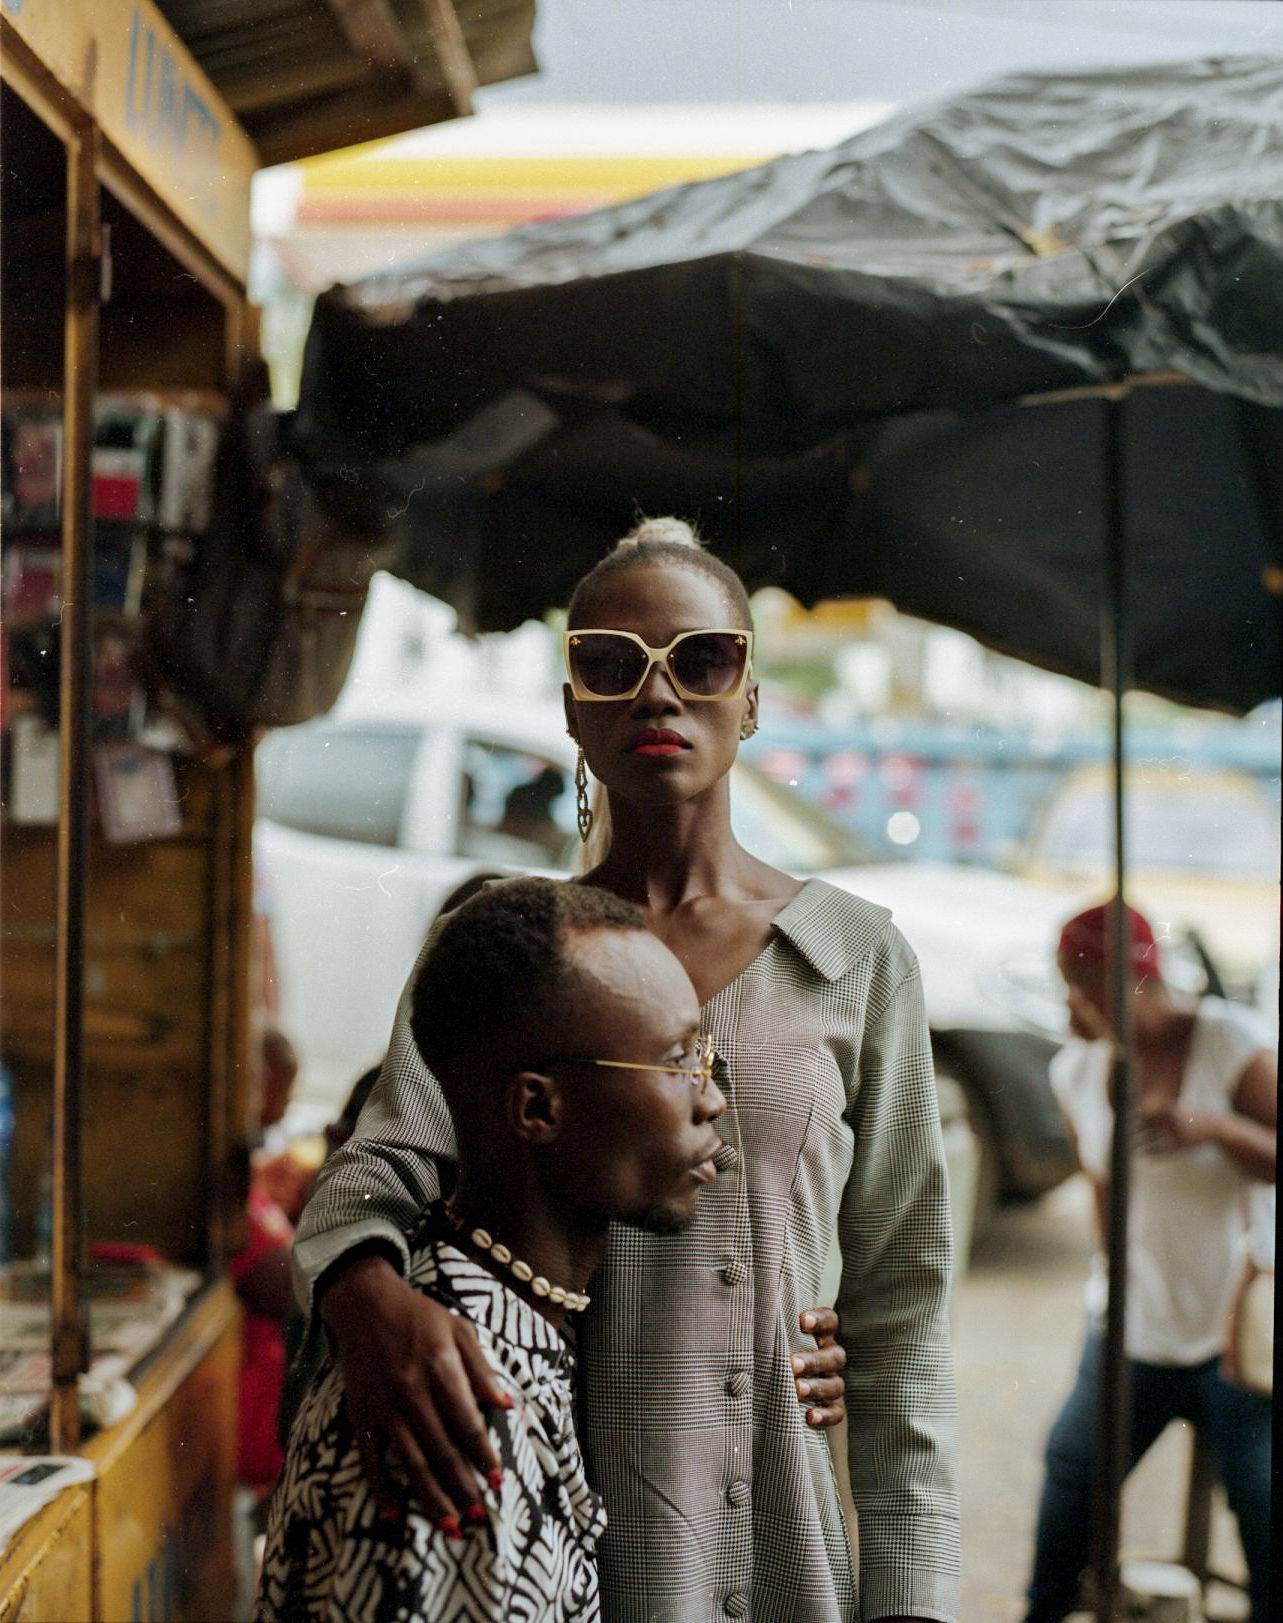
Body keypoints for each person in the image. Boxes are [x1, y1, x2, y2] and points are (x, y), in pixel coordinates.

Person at [293, 518, 960, 1622]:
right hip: (557, 1533)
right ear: (569, 706)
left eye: (702, 660)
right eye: (609, 664)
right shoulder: (510, 951)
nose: (659, 695)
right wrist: (371, 1304)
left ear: (749, 696)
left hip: (786, 1542)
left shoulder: (853, 958)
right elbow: (374, 1173)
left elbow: (903, 1311)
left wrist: (913, 1599)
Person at [256, 876, 727, 1621]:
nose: (711, 1096)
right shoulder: (451, 1405)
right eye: (675, 1062)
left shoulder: (510, 1330)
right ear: (537, 1107)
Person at [1024, 901, 1276, 1623]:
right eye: (1069, 986)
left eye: (1085, 987)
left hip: (1231, 1328)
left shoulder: (1231, 1045)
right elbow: (1103, 1192)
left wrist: (1210, 1125)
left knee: (1260, 1501)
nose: (1074, 1004)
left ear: (1131, 983)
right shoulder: (1076, 1069)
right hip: (1131, 1324)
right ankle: (1043, 1611)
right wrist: (1111, 1281)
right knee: (1072, 1474)